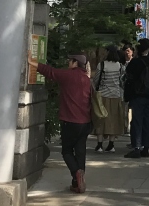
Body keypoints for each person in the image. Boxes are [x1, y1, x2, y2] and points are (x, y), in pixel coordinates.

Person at [30, 54, 94, 194]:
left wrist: (33, 63)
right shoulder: (86, 79)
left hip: (70, 121)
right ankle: (77, 182)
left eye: (70, 60)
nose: (68, 62)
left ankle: (76, 173)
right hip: (85, 122)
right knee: (80, 151)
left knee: (66, 151)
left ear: (75, 63)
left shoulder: (68, 75)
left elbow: (51, 72)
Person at [124, 37, 149, 158]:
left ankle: (137, 147)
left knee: (137, 122)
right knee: (148, 122)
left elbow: (128, 78)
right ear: (148, 48)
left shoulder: (134, 62)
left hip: (137, 96)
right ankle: (146, 148)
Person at [91, 47, 127, 152]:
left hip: (103, 95)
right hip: (116, 95)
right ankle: (111, 144)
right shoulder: (120, 66)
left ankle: (99, 144)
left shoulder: (102, 65)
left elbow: (96, 79)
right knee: (114, 119)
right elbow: (122, 81)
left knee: (101, 118)